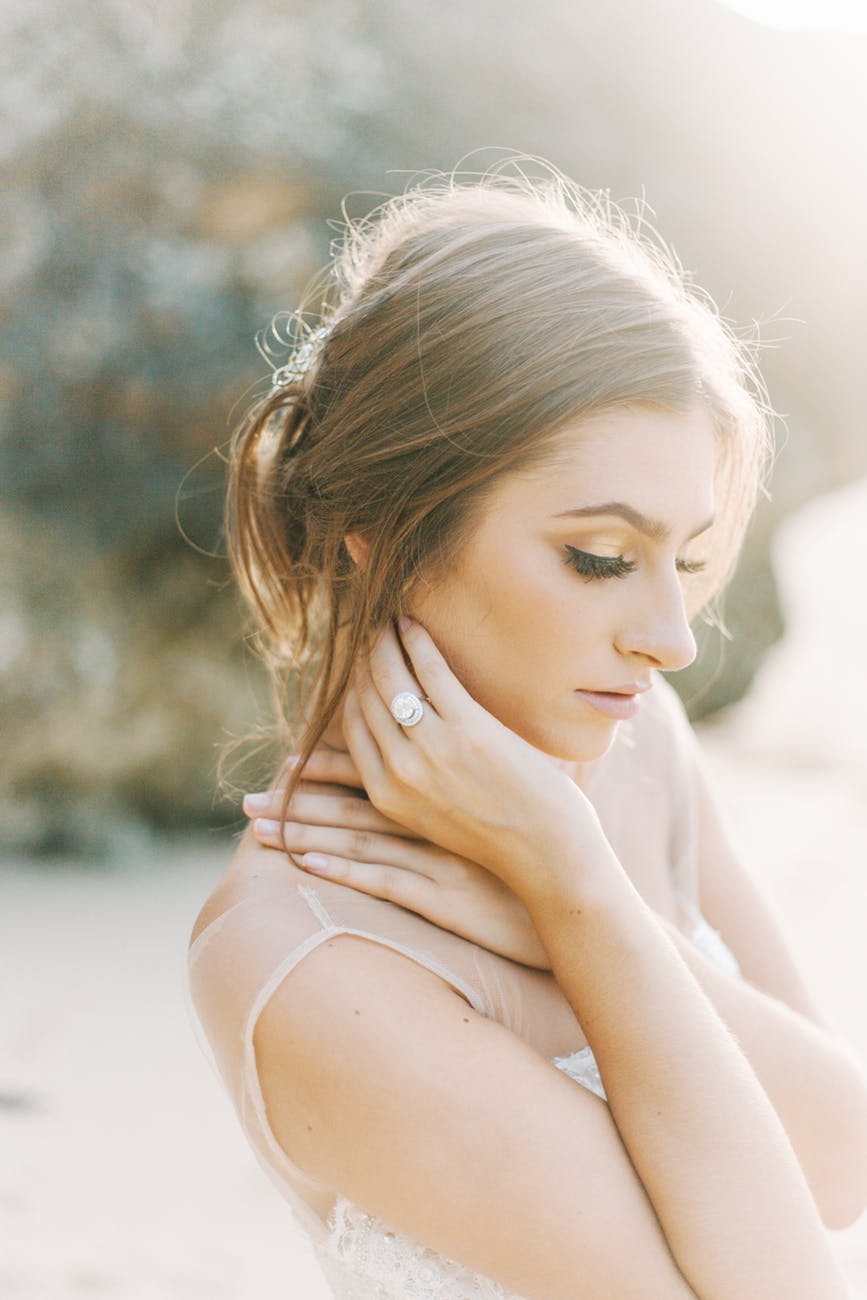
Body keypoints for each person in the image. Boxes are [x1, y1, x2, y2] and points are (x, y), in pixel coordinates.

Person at [187, 162, 867, 1299]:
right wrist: (581, 911)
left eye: (684, 559)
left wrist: (577, 905)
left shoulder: (634, 745)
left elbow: (842, 1162)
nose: (673, 641)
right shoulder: (314, 966)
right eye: (600, 558)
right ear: (375, 526)